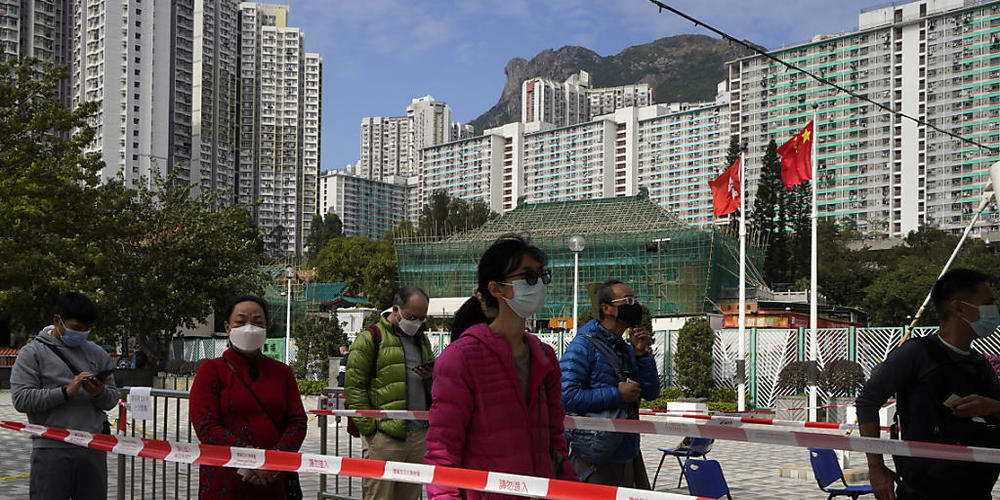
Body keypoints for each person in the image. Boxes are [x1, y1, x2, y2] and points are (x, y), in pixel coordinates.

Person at [424, 235, 578, 499]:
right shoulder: (461, 358)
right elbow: (442, 449)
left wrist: (570, 487)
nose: (538, 284)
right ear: (496, 289)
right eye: (529, 277)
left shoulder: (545, 357)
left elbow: (555, 440)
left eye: (542, 276)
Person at [857, 268, 1000, 500]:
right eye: (988, 304)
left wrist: (990, 407)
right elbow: (867, 401)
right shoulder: (917, 354)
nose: (993, 312)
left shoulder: (979, 363)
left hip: (976, 490)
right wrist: (876, 467)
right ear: (959, 308)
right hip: (923, 491)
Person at [189, 295, 306, 499]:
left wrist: (272, 461)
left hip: (272, 479)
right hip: (225, 479)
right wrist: (249, 459)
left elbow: (297, 422)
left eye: (258, 322)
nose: (249, 327)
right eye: (241, 321)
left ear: (267, 329)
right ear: (227, 328)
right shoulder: (211, 371)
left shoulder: (282, 372)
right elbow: (205, 426)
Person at [11, 292, 119, 500]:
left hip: (92, 447)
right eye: (76, 329)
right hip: (51, 448)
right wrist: (66, 392)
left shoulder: (97, 354)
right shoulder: (32, 353)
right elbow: (21, 399)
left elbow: (112, 398)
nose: (81, 334)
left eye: (86, 330)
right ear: (57, 320)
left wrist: (99, 394)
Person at [560, 279, 660, 488]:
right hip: (596, 457)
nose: (635, 307)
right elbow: (566, 396)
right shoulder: (583, 346)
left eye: (636, 301)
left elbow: (651, 393)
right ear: (607, 308)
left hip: (627, 450)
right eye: (629, 301)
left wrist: (642, 355)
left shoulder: (625, 348)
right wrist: (616, 394)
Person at [344, 286, 435, 500]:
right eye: (412, 316)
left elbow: (433, 385)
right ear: (396, 309)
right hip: (385, 437)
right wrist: (371, 432)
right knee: (379, 496)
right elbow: (354, 387)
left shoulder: (421, 340)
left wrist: (430, 375)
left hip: (418, 435)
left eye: (422, 319)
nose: (417, 323)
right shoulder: (370, 338)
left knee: (410, 496)